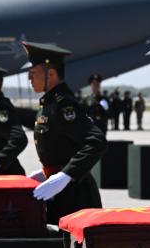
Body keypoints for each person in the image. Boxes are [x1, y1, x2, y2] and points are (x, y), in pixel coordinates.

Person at [21, 42, 106, 225]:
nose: (29, 78)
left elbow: (96, 141)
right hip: (57, 192)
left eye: (33, 72)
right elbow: (61, 148)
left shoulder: (63, 104)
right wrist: (45, 172)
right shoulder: (49, 103)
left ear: (51, 74)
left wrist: (65, 175)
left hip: (75, 195)